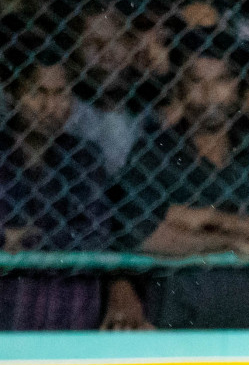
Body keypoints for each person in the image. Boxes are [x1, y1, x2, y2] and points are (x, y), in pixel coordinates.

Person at [118, 31, 249, 329]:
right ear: (180, 87)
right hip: (181, 297)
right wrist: (234, 244)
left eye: (222, 80)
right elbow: (147, 237)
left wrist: (213, 219)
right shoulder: (155, 151)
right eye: (197, 81)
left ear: (237, 86)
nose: (210, 94)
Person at [0, 45, 143, 331]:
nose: (50, 106)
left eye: (60, 93)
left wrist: (26, 239)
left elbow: (95, 234)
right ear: (13, 96)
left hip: (70, 311)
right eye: (38, 93)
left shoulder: (83, 158)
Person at [64, 3, 152, 178]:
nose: (106, 53)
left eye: (116, 40)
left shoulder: (149, 111)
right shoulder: (67, 114)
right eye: (91, 43)